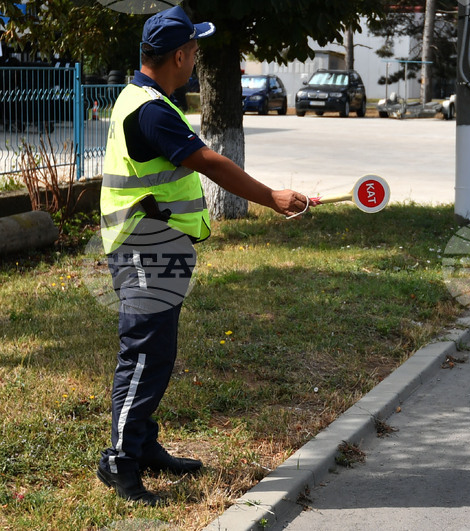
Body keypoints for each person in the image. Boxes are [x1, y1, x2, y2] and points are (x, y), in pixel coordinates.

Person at [96, 6, 308, 506]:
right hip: (145, 247)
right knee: (144, 355)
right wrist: (271, 197)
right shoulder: (150, 110)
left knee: (157, 354)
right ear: (179, 55)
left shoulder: (144, 98)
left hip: (156, 245)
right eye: (194, 51)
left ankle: (142, 446)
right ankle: (120, 461)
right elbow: (210, 162)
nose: (196, 60)